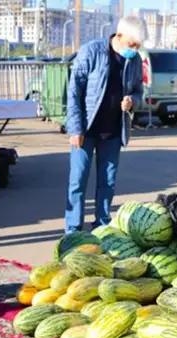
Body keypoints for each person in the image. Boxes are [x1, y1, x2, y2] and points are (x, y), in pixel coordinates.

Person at [64, 16, 146, 234]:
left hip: (113, 131)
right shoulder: (92, 51)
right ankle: (73, 230)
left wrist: (132, 101)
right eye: (132, 44)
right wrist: (75, 128)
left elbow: (139, 90)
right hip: (86, 130)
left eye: (138, 46)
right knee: (78, 182)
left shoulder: (135, 60)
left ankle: (101, 226)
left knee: (107, 183)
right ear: (119, 36)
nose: (135, 49)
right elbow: (74, 90)